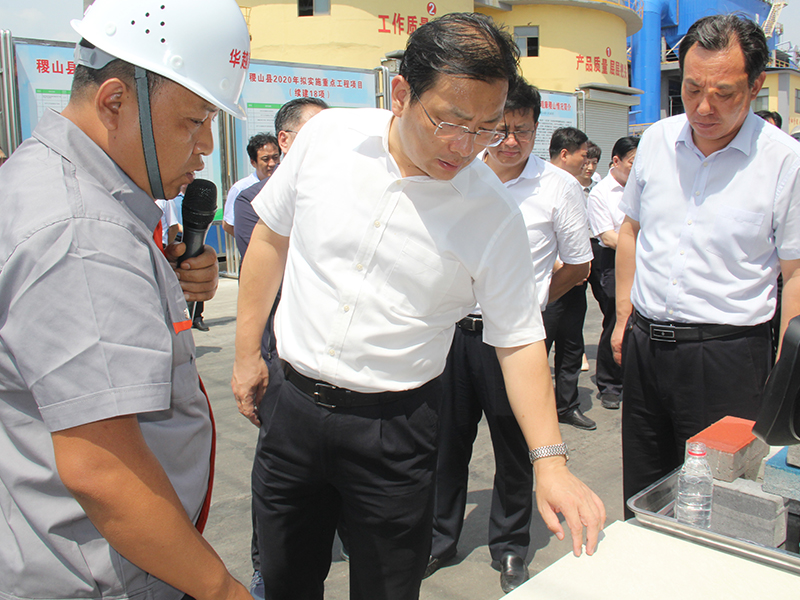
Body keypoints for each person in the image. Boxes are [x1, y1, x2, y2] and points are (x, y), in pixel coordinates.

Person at [233, 13, 604, 600]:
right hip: (291, 409)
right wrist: (245, 353)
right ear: (402, 93)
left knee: (387, 587)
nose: (466, 147)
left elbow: (518, 340)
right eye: (450, 122)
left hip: (394, 430)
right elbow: (271, 238)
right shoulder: (327, 140)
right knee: (284, 580)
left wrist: (550, 462)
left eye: (486, 129)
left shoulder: (491, 214)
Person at [0, 1, 252, 599]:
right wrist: (222, 591)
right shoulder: (84, 234)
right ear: (115, 101)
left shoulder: (44, 176)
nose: (205, 146)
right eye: (193, 121)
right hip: (103, 573)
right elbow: (104, 470)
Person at [611, 14, 800, 516]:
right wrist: (624, 314)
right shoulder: (657, 140)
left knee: (719, 501)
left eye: (724, 93)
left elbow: (795, 272)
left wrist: (787, 372)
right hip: (647, 347)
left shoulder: (783, 161)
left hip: (727, 357)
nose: (703, 107)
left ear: (756, 86)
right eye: (692, 88)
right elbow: (630, 230)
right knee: (643, 490)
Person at [428, 80, 592, 593]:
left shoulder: (558, 187)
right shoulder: (459, 173)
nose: (510, 141)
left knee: (516, 447)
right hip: (454, 333)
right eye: (500, 130)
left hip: (514, 342)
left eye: (523, 130)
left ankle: (510, 547)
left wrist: (531, 300)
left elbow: (579, 265)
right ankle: (439, 537)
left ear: (537, 129)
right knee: (446, 443)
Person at [232, 96, 328, 600]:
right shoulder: (255, 201)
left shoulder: (342, 191)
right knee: (278, 477)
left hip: (332, 361)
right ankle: (266, 567)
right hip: (279, 356)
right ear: (286, 140)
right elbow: (274, 268)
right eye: (316, 131)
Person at [545, 127, 596, 430]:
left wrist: (579, 267)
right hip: (549, 283)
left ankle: (566, 405)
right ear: (565, 154)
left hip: (575, 283)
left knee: (572, 346)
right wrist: (558, 266)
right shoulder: (539, 184)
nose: (587, 162)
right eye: (583, 155)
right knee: (537, 349)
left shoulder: (575, 187)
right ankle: (530, 412)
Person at [587, 136, 638, 410]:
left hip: (642, 261)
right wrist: (643, 249)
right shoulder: (601, 193)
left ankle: (633, 379)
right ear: (616, 161)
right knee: (615, 321)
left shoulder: (642, 188)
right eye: (632, 162)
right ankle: (609, 384)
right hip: (612, 261)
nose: (636, 168)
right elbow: (607, 236)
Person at [222, 133, 281, 236]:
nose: (272, 163)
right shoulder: (241, 188)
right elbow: (228, 224)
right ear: (253, 162)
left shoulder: (285, 184)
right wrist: (249, 241)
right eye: (265, 159)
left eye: (275, 157)